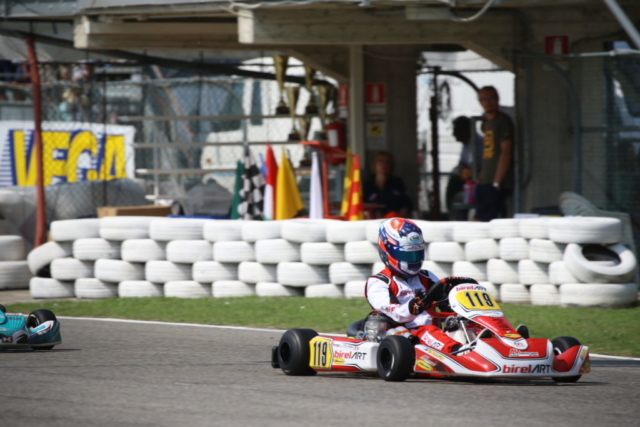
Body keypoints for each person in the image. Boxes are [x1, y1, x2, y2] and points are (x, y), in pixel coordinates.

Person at [364, 217, 469, 353]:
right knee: (429, 331)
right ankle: (458, 352)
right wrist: (413, 307)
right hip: (407, 340)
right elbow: (394, 313)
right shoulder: (378, 282)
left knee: (466, 325)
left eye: (416, 254)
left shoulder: (427, 276)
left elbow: (447, 304)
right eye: (407, 256)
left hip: (434, 335)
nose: (413, 260)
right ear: (387, 251)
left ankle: (481, 348)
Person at [474, 86, 514, 222]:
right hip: (484, 181)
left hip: (497, 183)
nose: (487, 102)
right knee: (483, 220)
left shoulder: (502, 121)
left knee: (480, 221)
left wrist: (497, 182)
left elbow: (506, 152)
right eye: (484, 99)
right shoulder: (487, 122)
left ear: (497, 99)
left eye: (491, 98)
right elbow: (488, 150)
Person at [362, 152, 412, 219]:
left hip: (395, 220)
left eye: (387, 162)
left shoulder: (397, 183)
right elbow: (362, 205)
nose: (384, 164)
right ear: (374, 164)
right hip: (373, 221)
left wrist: (399, 215)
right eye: (381, 161)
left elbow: (407, 204)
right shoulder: (367, 184)